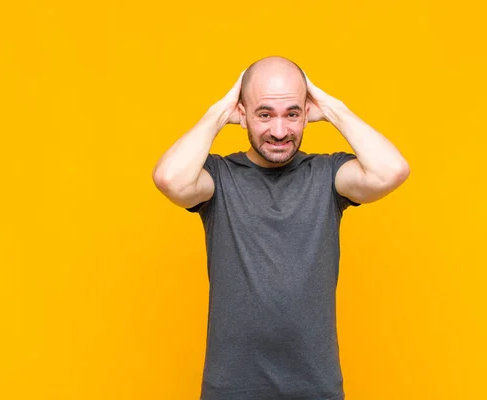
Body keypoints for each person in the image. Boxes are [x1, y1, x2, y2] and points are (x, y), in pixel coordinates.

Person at [151, 56, 409, 400]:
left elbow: (391, 171)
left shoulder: (328, 175)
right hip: (231, 390)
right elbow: (170, 179)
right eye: (264, 114)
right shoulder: (219, 178)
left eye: (292, 113)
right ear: (242, 114)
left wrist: (333, 109)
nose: (279, 130)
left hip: (316, 389)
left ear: (306, 113)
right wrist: (217, 113)